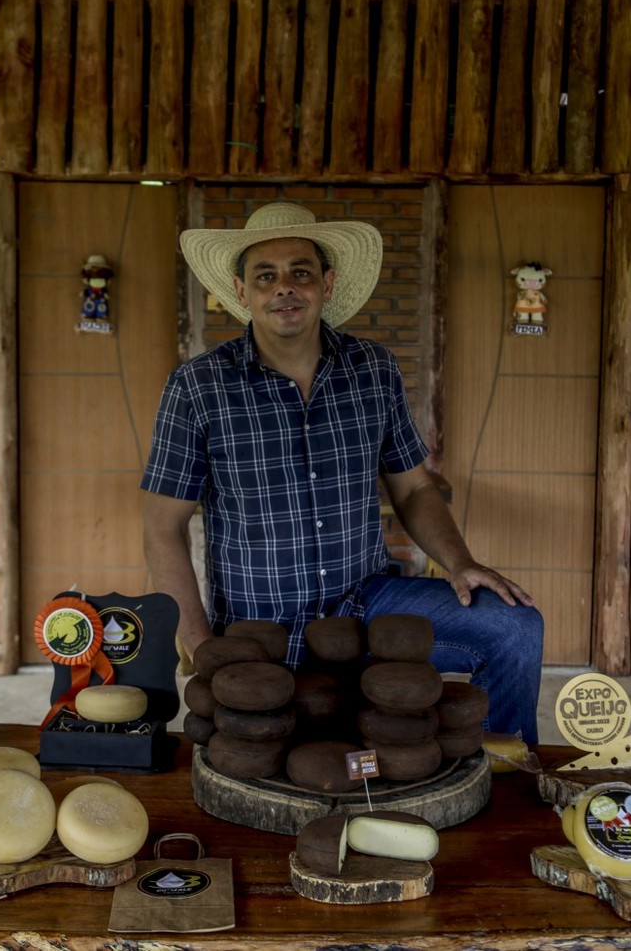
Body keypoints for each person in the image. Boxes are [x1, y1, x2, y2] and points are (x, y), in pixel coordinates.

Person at [140, 202, 543, 741]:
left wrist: (460, 562)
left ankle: (506, 773)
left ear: (326, 285)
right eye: (266, 276)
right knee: (292, 767)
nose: (285, 287)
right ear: (242, 293)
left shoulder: (373, 370)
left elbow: (415, 486)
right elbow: (161, 527)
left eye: (300, 272)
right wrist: (200, 645)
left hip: (368, 607)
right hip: (264, 628)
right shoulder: (197, 388)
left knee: (514, 627)